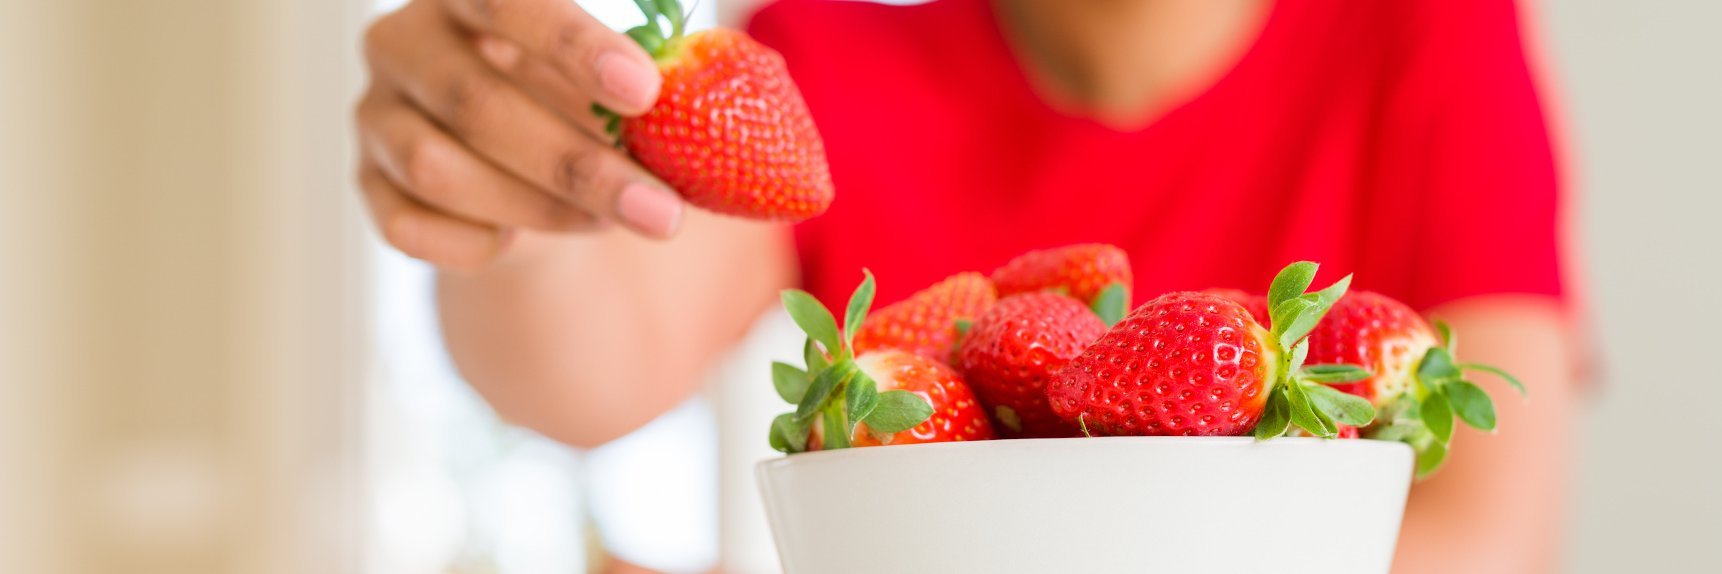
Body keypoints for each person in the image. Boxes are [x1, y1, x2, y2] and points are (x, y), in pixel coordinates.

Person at [355, 0, 1577, 571]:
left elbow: (1486, 534)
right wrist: (524, 181)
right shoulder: (817, 59)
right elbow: (584, 376)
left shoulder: (1432, 37)